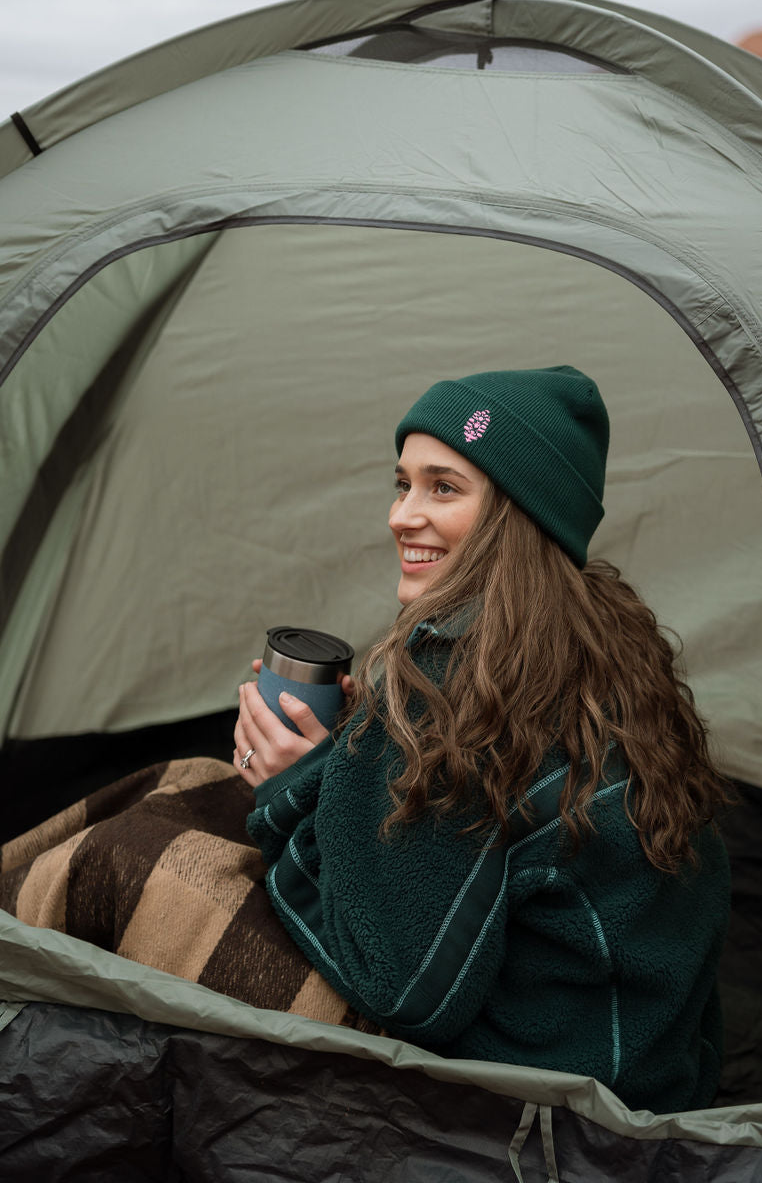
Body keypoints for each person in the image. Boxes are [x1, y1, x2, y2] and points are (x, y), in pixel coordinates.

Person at [233, 366, 732, 1113]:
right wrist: (357, 759)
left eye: (443, 488)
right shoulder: (602, 638)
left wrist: (289, 790)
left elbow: (402, 988)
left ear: (517, 513)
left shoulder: (447, 685)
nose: (401, 516)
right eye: (402, 484)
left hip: (541, 1108)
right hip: (651, 1070)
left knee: (144, 855)